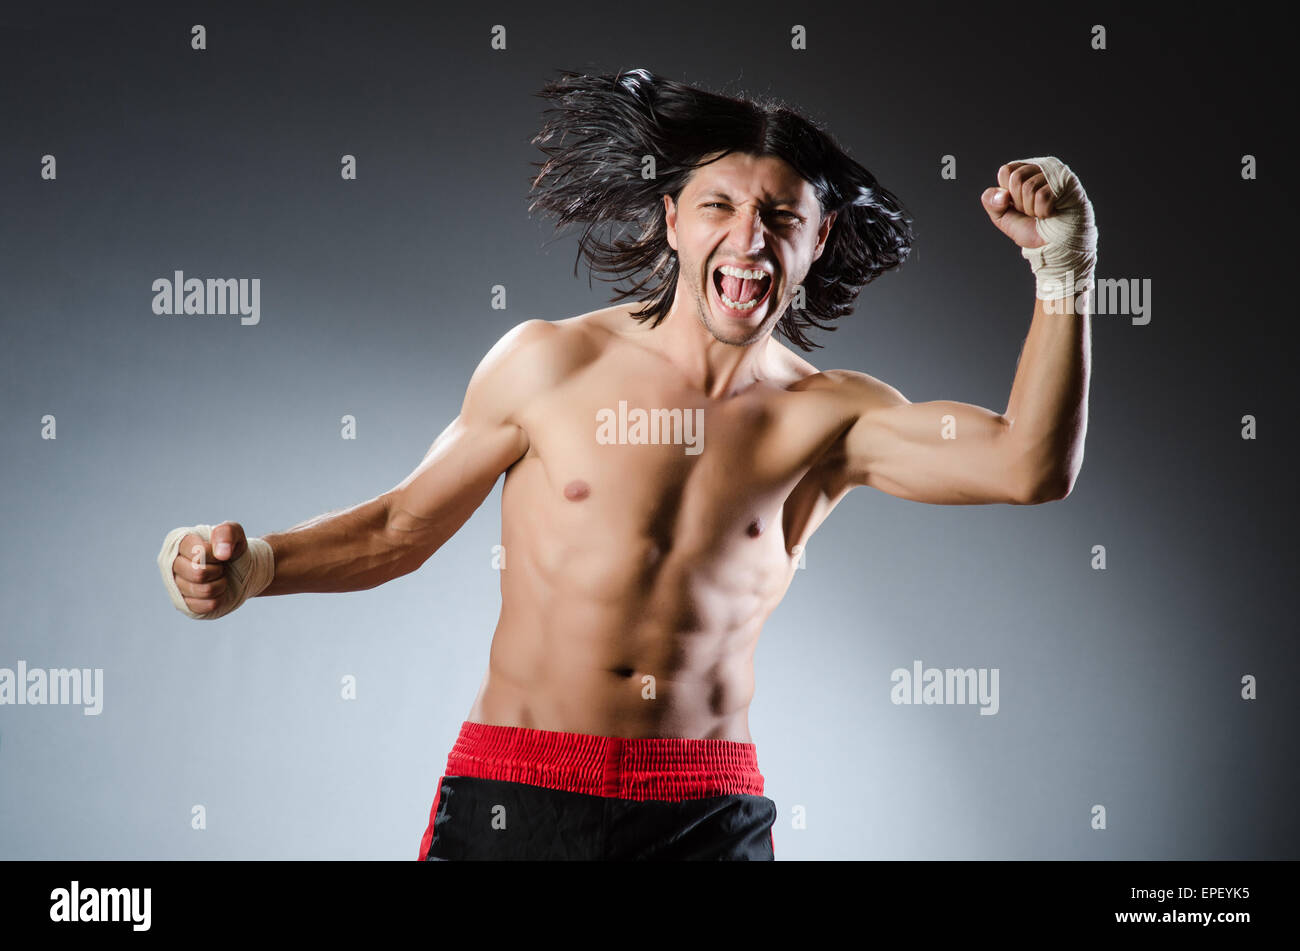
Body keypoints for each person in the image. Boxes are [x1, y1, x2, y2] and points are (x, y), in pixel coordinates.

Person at [157, 68, 1095, 860]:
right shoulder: (548, 362)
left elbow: (1028, 464)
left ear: (818, 241)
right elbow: (403, 527)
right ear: (672, 218)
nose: (748, 238)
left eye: (780, 217)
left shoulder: (833, 418)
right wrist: (255, 567)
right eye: (719, 206)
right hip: (517, 792)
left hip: (703, 810)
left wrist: (1064, 268)